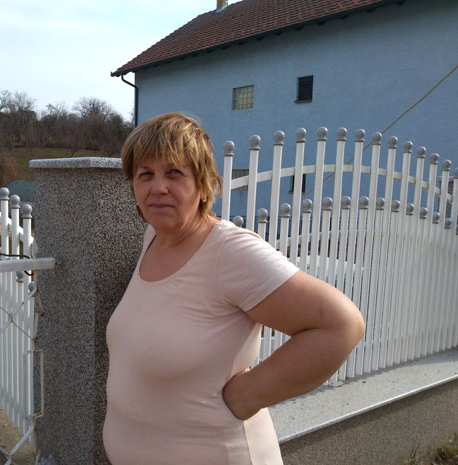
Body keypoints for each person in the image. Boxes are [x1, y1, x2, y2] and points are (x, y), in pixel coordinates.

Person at [103, 113, 365, 465]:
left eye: (175, 173)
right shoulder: (154, 237)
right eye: (145, 174)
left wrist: (247, 396)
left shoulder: (230, 252)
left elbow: (341, 325)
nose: (158, 187)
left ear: (203, 184)